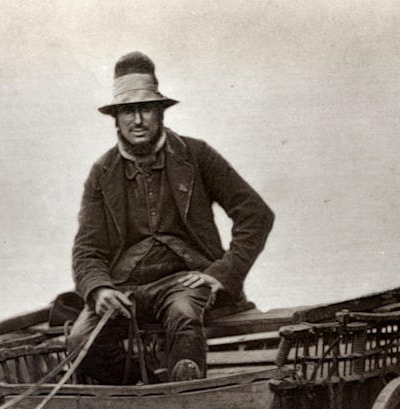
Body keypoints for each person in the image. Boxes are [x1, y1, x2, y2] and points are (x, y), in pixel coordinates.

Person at [69, 52, 274, 384]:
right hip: (125, 291)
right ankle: (147, 387)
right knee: (81, 341)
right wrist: (99, 289)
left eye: (146, 108)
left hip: (184, 283)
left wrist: (221, 273)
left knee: (184, 314)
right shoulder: (102, 173)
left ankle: (187, 394)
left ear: (160, 111)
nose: (138, 120)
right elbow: (87, 250)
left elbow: (256, 214)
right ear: (116, 118)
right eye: (127, 111)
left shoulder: (197, 155)